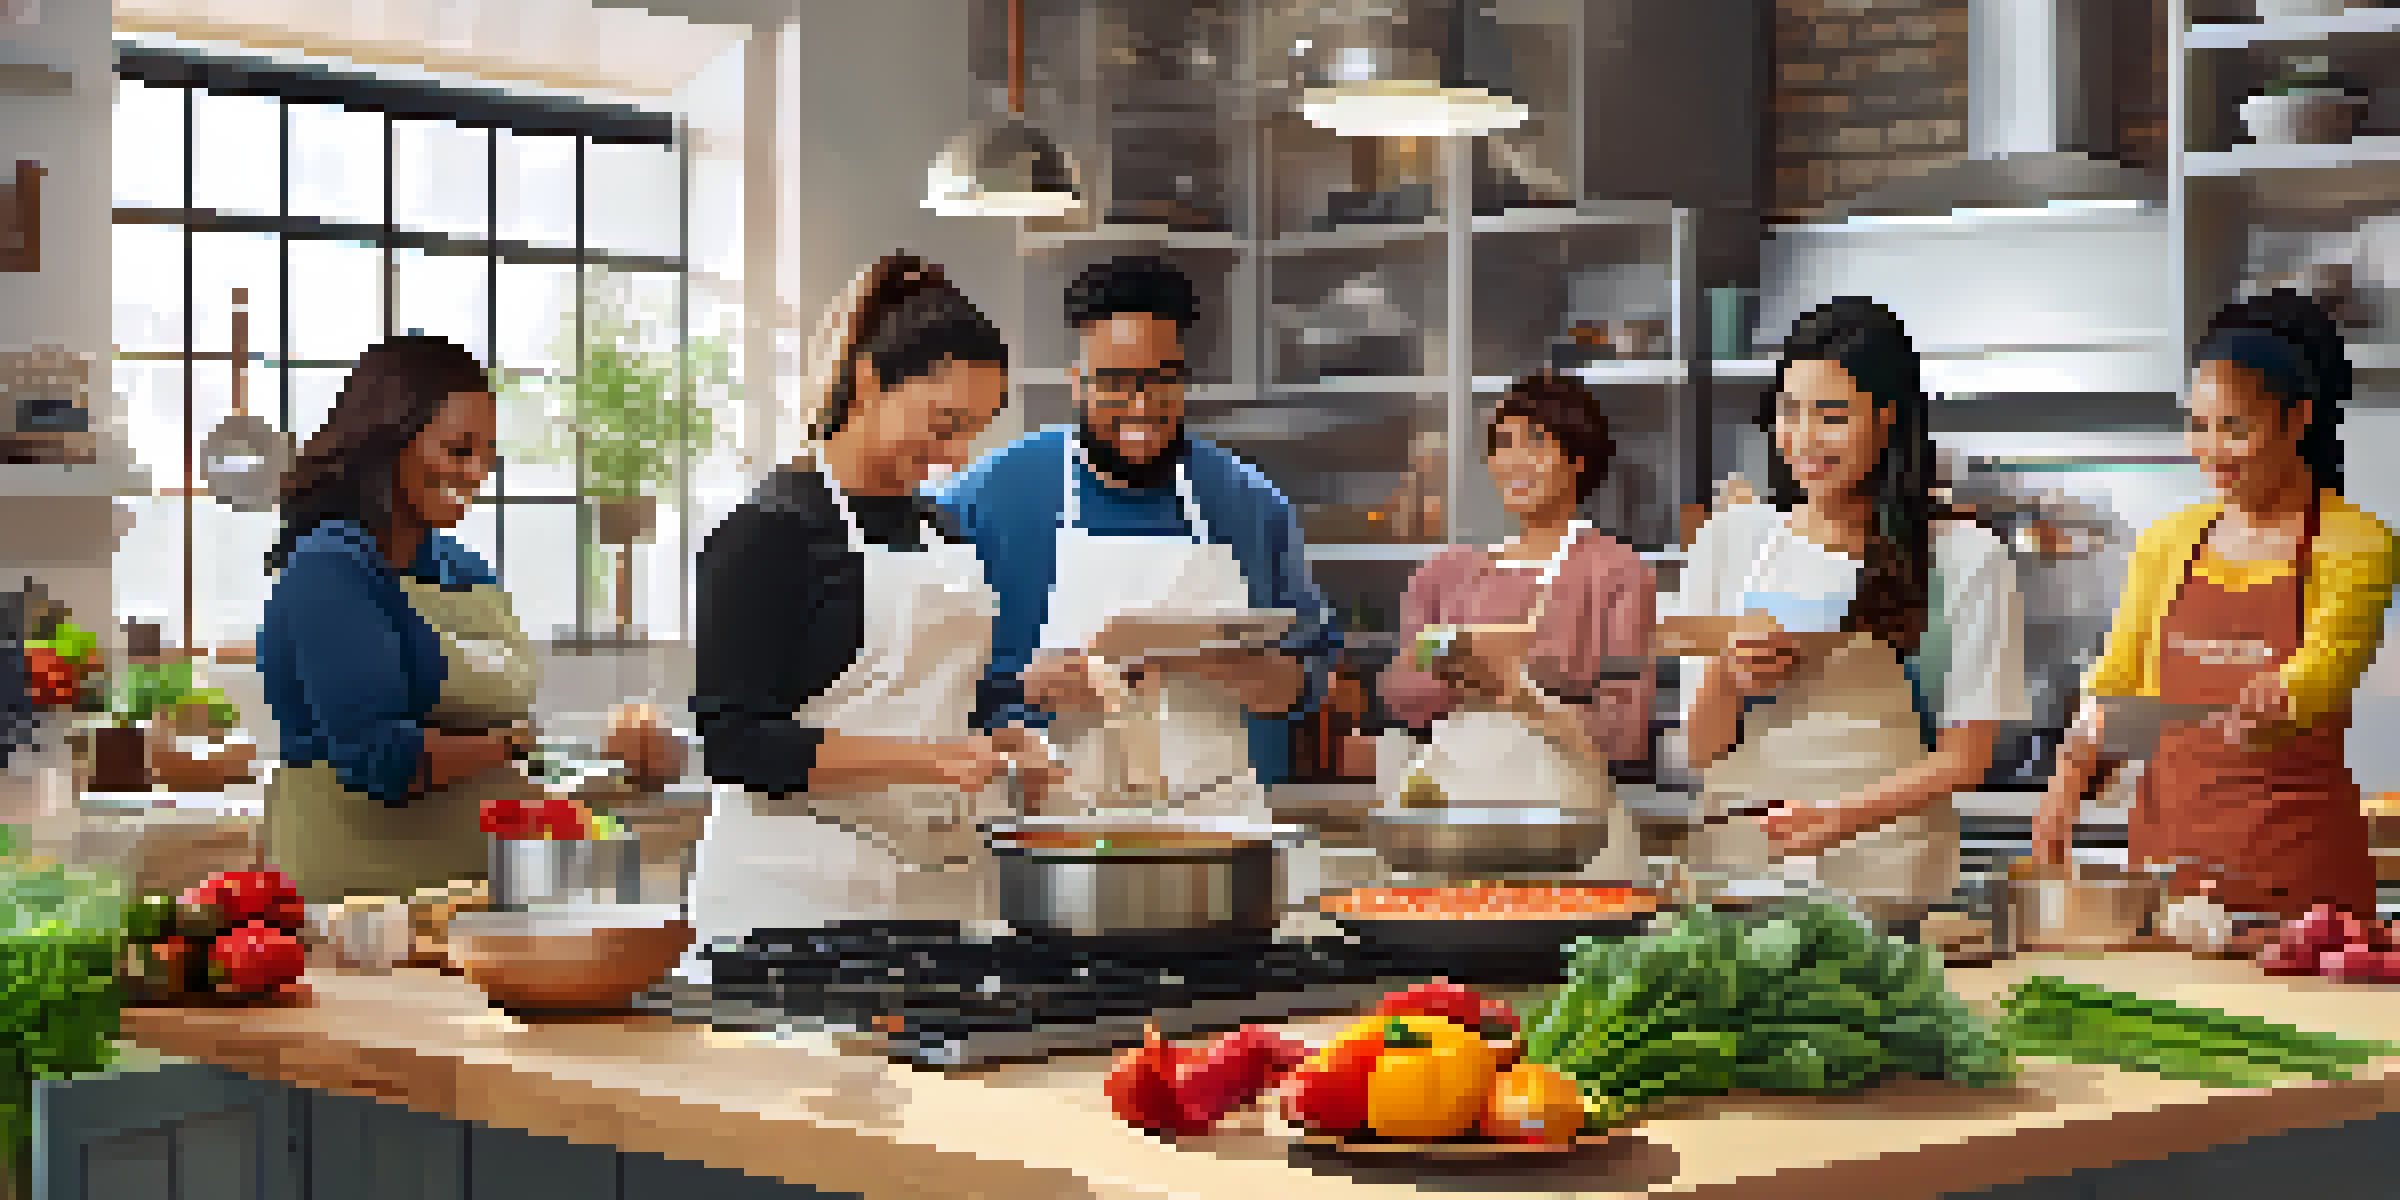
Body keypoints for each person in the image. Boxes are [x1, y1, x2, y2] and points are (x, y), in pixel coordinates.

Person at [685, 252, 1040, 949]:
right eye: (944, 423)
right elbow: (735, 744)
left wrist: (1007, 729)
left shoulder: (944, 533)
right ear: (871, 381)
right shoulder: (769, 531)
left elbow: (947, 696)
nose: (959, 455)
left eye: (975, 428)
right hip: (793, 903)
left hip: (939, 894)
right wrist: (930, 762)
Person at [932, 255, 1340, 816]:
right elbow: (924, 678)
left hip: (1215, 819)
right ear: (1077, 383)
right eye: (1116, 385)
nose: (1140, 407)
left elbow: (1309, 678)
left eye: (1159, 382)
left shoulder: (1249, 502)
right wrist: (1027, 692)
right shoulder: (988, 495)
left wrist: (1250, 675)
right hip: (1048, 818)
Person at [2035, 290, 2397, 920]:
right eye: (2198, 425)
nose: (2211, 448)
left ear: (2296, 419)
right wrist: (2066, 783)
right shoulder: (2169, 539)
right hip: (2169, 863)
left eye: (2236, 427)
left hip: (2298, 876)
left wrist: (2282, 691)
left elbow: (2332, 659)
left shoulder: (2356, 541)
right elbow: (2118, 680)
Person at [1681, 297, 2030, 928]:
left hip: (1883, 873)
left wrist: (1837, 818)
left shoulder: (1966, 556)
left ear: (1889, 417)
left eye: (1832, 416)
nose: (1805, 439)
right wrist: (1730, 675)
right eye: (1789, 413)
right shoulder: (1732, 540)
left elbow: (1966, 758)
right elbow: (1702, 749)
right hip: (1738, 871)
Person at [258, 336, 541, 903]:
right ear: (387, 444)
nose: (478, 471)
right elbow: (381, 762)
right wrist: (512, 747)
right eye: (459, 450)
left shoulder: (466, 571)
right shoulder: (331, 568)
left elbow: (513, 709)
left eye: (487, 453)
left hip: (474, 901)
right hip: (360, 917)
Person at [1380, 372, 1657, 880]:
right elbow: (1403, 686)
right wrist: (1452, 663)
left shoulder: (1617, 572)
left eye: (1535, 442)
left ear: (1577, 456)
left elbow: (1625, 730)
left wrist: (1524, 696)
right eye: (1502, 444)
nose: (1514, 461)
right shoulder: (1451, 571)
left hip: (1567, 820)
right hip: (1453, 814)